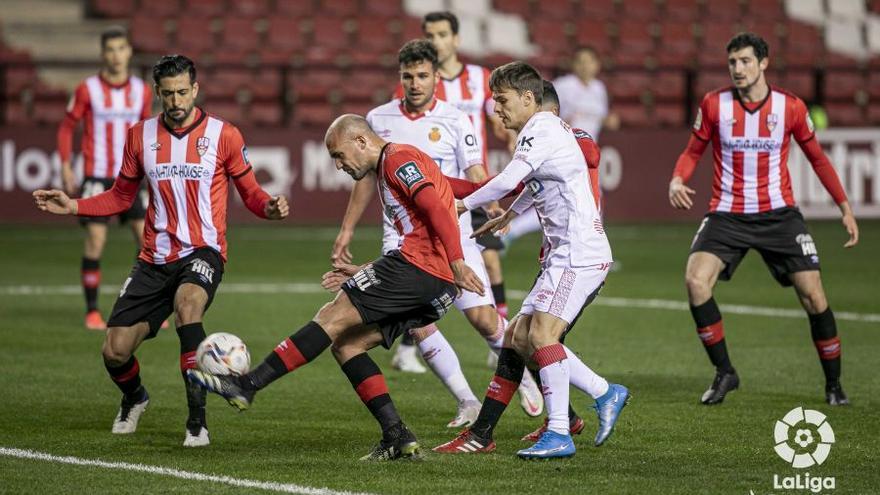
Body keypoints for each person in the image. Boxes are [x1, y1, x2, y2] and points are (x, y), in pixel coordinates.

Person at [188, 114, 485, 461]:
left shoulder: (397, 160)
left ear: (361, 141)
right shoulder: (399, 163)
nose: (339, 165)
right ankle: (396, 435)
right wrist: (513, 185)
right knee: (347, 345)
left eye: (339, 155)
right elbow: (455, 189)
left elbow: (435, 206)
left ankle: (247, 385)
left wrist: (457, 260)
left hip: (422, 268)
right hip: (436, 285)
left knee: (331, 316)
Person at [33, 55, 289, 447]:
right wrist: (74, 204)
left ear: (196, 89)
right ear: (158, 93)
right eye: (168, 94)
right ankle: (135, 397)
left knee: (189, 306)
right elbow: (121, 196)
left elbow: (252, 194)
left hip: (204, 252)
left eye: (182, 92)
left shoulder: (225, 135)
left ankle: (197, 422)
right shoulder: (140, 136)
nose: (176, 101)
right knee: (115, 351)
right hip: (154, 258)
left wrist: (269, 207)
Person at [330, 40, 543, 426]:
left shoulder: (456, 119)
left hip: (452, 231)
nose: (415, 83)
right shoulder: (377, 119)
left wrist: (493, 204)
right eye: (407, 76)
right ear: (400, 78)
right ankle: (466, 401)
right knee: (417, 323)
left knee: (482, 317)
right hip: (401, 239)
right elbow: (365, 179)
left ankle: (523, 374)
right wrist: (346, 230)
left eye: (423, 75)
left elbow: (473, 172)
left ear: (436, 78)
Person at [433, 62, 629, 459]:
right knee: (517, 337)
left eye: (502, 101)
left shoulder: (541, 128)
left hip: (578, 254)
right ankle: (602, 394)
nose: (495, 110)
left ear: (528, 99)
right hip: (563, 255)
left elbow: (507, 180)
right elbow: (538, 179)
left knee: (541, 337)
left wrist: (462, 205)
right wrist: (510, 213)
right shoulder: (543, 130)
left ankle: (560, 431)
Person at [669, 33, 858, 406]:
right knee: (695, 280)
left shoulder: (790, 107)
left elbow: (818, 158)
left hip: (779, 216)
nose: (738, 69)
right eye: (732, 63)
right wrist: (678, 178)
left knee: (813, 295)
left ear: (763, 63)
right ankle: (725, 372)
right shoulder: (714, 104)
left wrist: (845, 208)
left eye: (745, 61)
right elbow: (692, 152)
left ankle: (834, 385)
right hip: (727, 214)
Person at [379, 12, 512, 372]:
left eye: (441, 34)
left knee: (489, 262)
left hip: (467, 191)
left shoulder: (479, 79)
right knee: (422, 282)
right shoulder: (406, 90)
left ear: (455, 39)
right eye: (429, 34)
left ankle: (499, 343)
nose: (436, 40)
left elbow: (499, 116)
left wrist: (508, 139)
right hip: (426, 198)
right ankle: (412, 349)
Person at [56, 26, 153, 330]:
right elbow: (66, 127)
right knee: (96, 240)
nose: (116, 55)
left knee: (146, 241)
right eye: (110, 50)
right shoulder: (88, 89)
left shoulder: (142, 90)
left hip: (131, 176)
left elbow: (146, 133)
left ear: (129, 52)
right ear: (103, 55)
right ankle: (92, 311)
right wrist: (66, 165)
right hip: (97, 174)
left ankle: (144, 306)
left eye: (121, 48)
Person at [503, 46, 618, 248]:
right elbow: (534, 109)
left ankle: (591, 247)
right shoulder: (563, 87)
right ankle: (589, 248)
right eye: (581, 61)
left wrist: (608, 120)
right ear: (574, 65)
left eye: (589, 61)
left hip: (588, 154)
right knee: (559, 200)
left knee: (587, 202)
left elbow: (599, 118)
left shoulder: (598, 89)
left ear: (597, 65)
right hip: (564, 152)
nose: (585, 66)